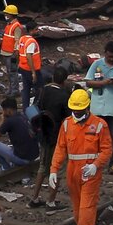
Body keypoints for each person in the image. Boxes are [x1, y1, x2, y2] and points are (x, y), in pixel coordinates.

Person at [50, 89, 112, 225]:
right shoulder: (67, 124)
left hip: (90, 174)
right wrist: (54, 170)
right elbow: (60, 149)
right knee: (78, 212)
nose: (76, 113)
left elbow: (107, 149)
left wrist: (95, 165)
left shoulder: (99, 125)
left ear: (87, 107)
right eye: (74, 110)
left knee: (86, 210)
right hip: (73, 172)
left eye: (80, 110)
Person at [85, 40, 113, 174]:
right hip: (97, 108)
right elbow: (88, 82)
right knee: (94, 136)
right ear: (105, 53)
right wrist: (103, 83)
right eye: (109, 56)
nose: (111, 59)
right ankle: (93, 162)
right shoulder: (96, 64)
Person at [29, 65, 69, 207]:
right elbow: (68, 118)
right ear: (64, 80)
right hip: (57, 136)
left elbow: (33, 109)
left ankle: (34, 198)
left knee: (43, 167)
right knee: (56, 168)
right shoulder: (64, 96)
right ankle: (51, 201)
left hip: (43, 134)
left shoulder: (43, 91)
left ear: (53, 78)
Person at [0, 95, 40, 171]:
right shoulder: (23, 116)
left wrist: (2, 120)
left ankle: (6, 168)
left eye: (4, 110)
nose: (3, 113)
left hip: (23, 159)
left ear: (8, 110)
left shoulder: (9, 121)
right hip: (34, 156)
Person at [17, 19, 43, 111]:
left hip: (23, 67)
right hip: (31, 69)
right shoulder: (31, 42)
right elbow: (29, 56)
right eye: (36, 29)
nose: (37, 31)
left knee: (26, 90)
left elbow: (18, 52)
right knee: (39, 89)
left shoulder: (22, 39)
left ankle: (25, 109)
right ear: (31, 30)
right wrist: (33, 73)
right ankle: (35, 109)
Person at [1, 5, 25, 84]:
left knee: (12, 73)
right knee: (9, 73)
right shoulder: (9, 24)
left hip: (11, 54)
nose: (5, 15)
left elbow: (17, 41)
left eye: (7, 14)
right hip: (6, 52)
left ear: (11, 15)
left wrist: (15, 53)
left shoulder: (16, 26)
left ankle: (14, 90)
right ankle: (11, 89)